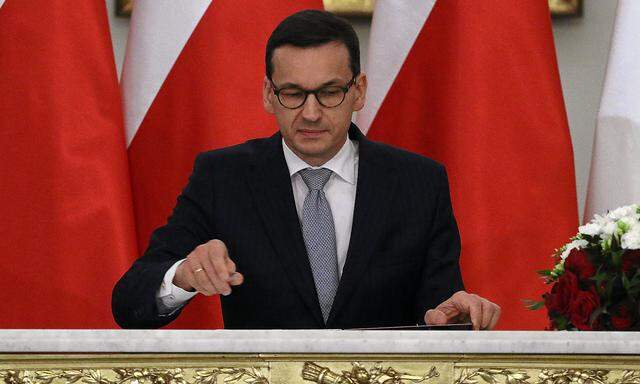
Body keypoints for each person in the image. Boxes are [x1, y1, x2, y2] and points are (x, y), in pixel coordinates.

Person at [112, 9, 501, 330]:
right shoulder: (223, 177)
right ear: (269, 94)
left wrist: (451, 316)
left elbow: (441, 307)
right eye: (293, 93)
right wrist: (182, 275)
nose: (311, 113)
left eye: (329, 93)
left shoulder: (419, 182)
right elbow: (129, 301)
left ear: (359, 91)